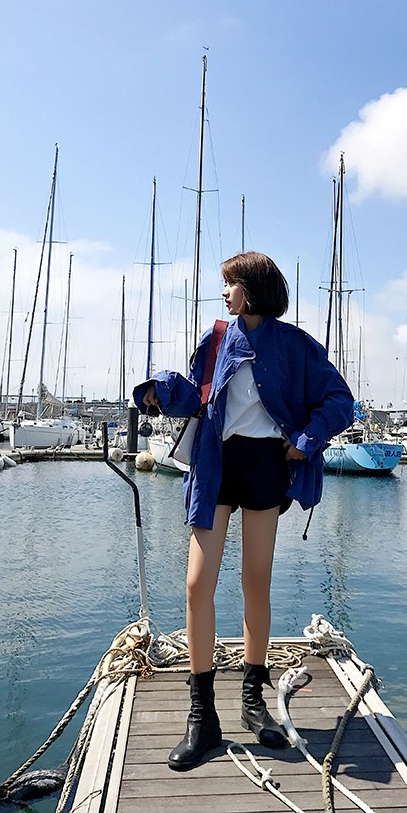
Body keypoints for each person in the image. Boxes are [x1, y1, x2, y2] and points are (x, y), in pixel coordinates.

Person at [133, 251, 354, 770]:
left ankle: (253, 701)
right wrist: (159, 391)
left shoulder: (296, 346)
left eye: (230, 283)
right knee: (197, 584)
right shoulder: (216, 338)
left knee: (256, 582)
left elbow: (340, 401)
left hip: (265, 467)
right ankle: (202, 716)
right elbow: (198, 396)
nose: (224, 292)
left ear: (252, 289)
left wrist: (306, 439)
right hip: (216, 463)